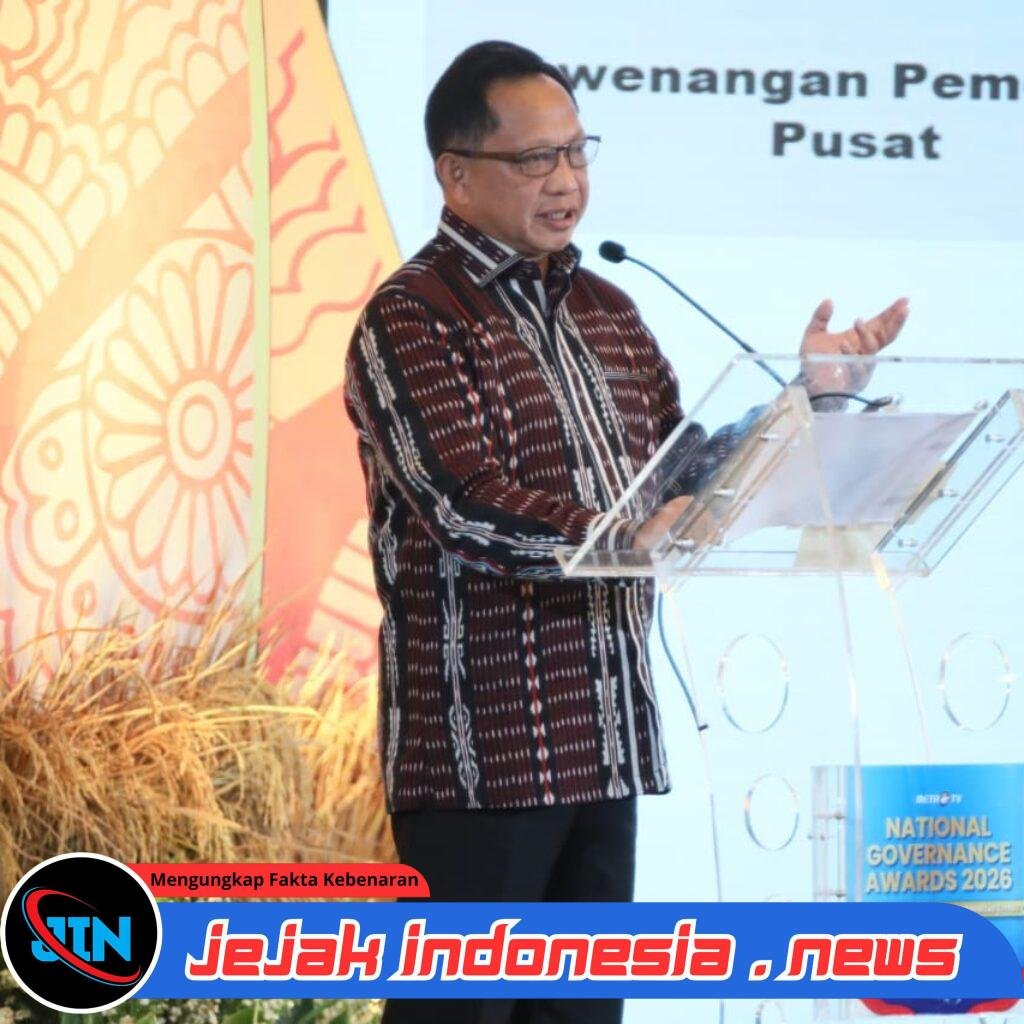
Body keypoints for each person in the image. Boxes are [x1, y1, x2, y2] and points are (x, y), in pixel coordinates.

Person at [343, 39, 908, 1024]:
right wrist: (622, 536)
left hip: (604, 741)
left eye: (576, 152)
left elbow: (680, 478)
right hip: (484, 757)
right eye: (536, 159)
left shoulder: (607, 309)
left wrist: (809, 397)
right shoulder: (413, 317)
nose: (567, 181)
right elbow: (460, 499)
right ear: (455, 173)